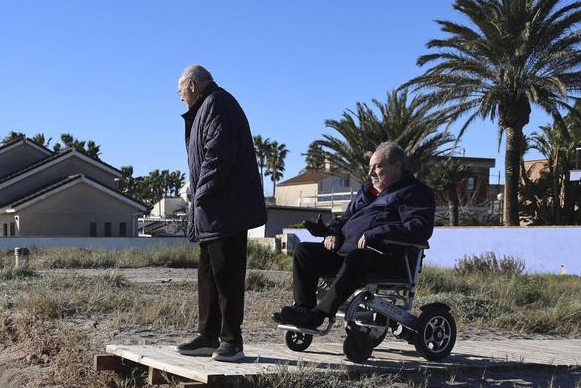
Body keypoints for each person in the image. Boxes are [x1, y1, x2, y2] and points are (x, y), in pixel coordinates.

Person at [274, 142, 434, 329]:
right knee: (304, 251)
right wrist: (330, 232)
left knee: (356, 257)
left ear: (397, 165)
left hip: (387, 257)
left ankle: (318, 316)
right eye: (370, 168)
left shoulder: (414, 192)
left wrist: (377, 233)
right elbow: (345, 219)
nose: (371, 172)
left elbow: (419, 227)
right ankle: (303, 309)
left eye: (378, 166)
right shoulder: (367, 191)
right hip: (348, 253)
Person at [173, 64, 267, 362]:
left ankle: (232, 341)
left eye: (180, 91)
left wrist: (200, 192)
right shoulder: (206, 106)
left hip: (226, 208)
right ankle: (208, 336)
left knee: (227, 276)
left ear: (191, 85)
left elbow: (218, 155)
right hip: (211, 210)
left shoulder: (217, 104)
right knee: (208, 275)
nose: (180, 98)